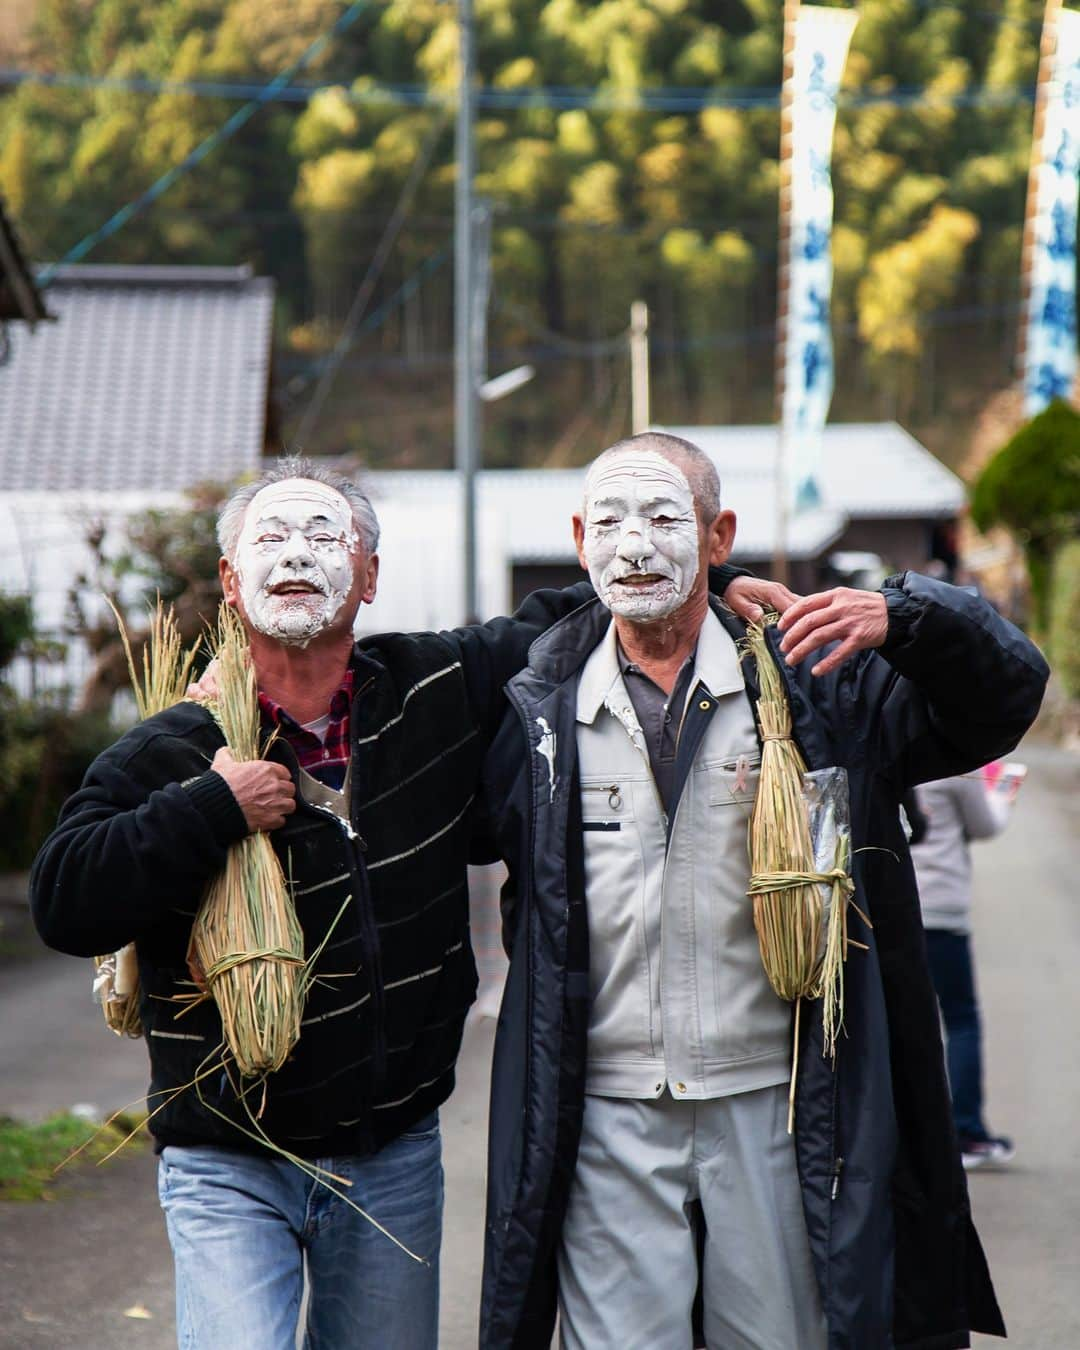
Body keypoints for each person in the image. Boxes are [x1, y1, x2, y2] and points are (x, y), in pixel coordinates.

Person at [29, 456, 779, 1349]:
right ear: (231, 583)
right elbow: (64, 899)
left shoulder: (436, 692)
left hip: (392, 1158)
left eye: (324, 537)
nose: (297, 556)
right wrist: (211, 809)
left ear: (371, 575)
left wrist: (713, 576)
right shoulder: (175, 750)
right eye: (269, 539)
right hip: (227, 1162)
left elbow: (579, 610)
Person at [478, 431, 1048, 1350]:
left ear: (717, 535)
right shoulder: (532, 705)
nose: (634, 545)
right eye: (610, 522)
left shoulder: (815, 683)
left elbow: (1004, 697)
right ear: (579, 536)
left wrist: (910, 616)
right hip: (609, 1113)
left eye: (666, 519)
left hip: (775, 1107)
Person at [910, 769, 1019, 1170]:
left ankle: (910, 1135)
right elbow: (985, 825)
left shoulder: (891, 738)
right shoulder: (958, 761)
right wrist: (1004, 795)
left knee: (905, 1023)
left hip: (897, 902)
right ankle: (967, 1132)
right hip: (942, 906)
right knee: (960, 1020)